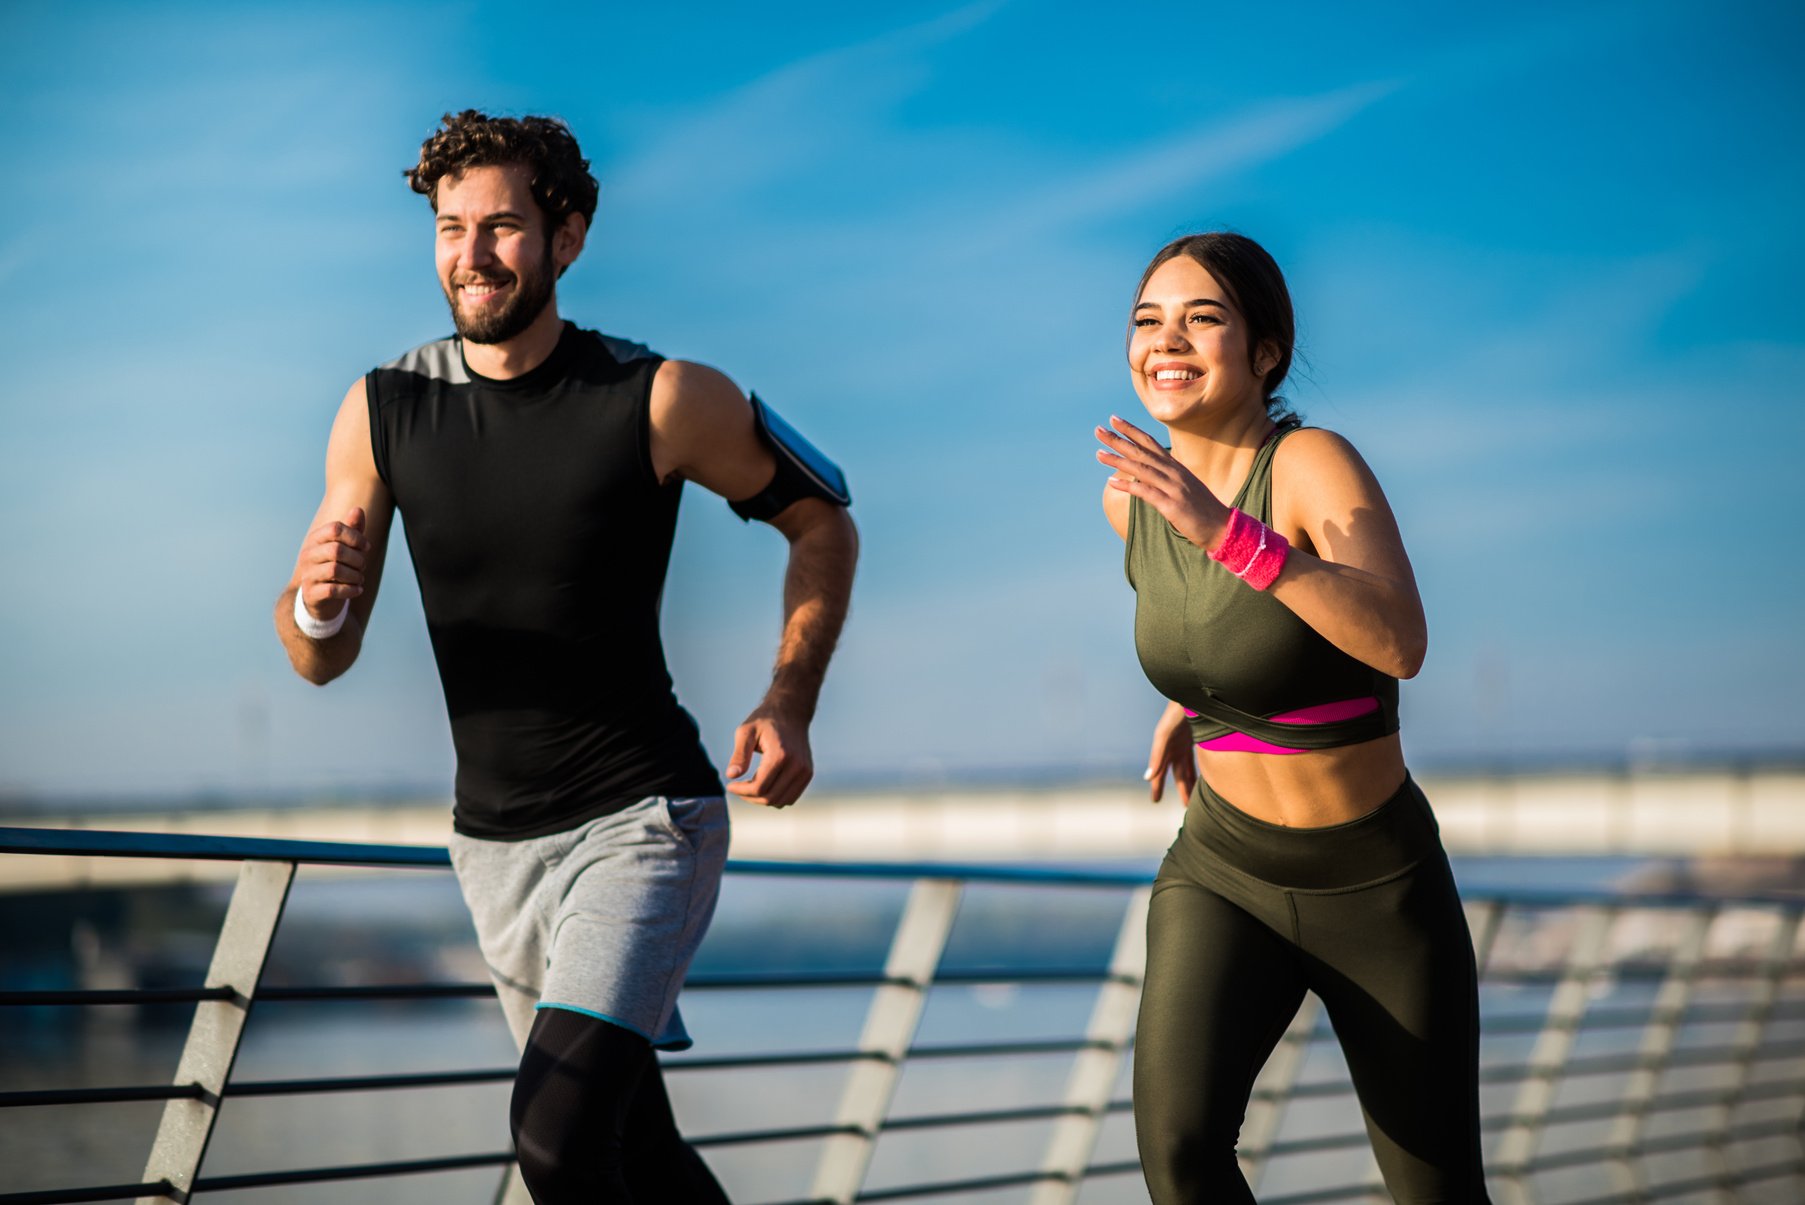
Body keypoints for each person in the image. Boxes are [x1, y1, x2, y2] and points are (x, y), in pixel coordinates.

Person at [274, 110, 858, 1203]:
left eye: (501, 227)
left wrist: (789, 699)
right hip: (491, 849)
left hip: (642, 819)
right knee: (633, 1146)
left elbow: (823, 523)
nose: (472, 254)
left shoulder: (659, 396)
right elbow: (323, 658)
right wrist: (315, 607)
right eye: (451, 228)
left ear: (568, 237)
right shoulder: (381, 409)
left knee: (553, 1139)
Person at [1094, 232, 1489, 1203]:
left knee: (1433, 1188)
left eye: (1202, 317)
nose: (1165, 340)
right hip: (1222, 867)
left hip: (1371, 880)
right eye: (1147, 319)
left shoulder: (1308, 463)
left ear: (1264, 352)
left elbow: (1395, 640)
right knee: (1180, 1156)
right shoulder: (1129, 498)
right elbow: (1222, 635)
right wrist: (1198, 704)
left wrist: (1222, 531)